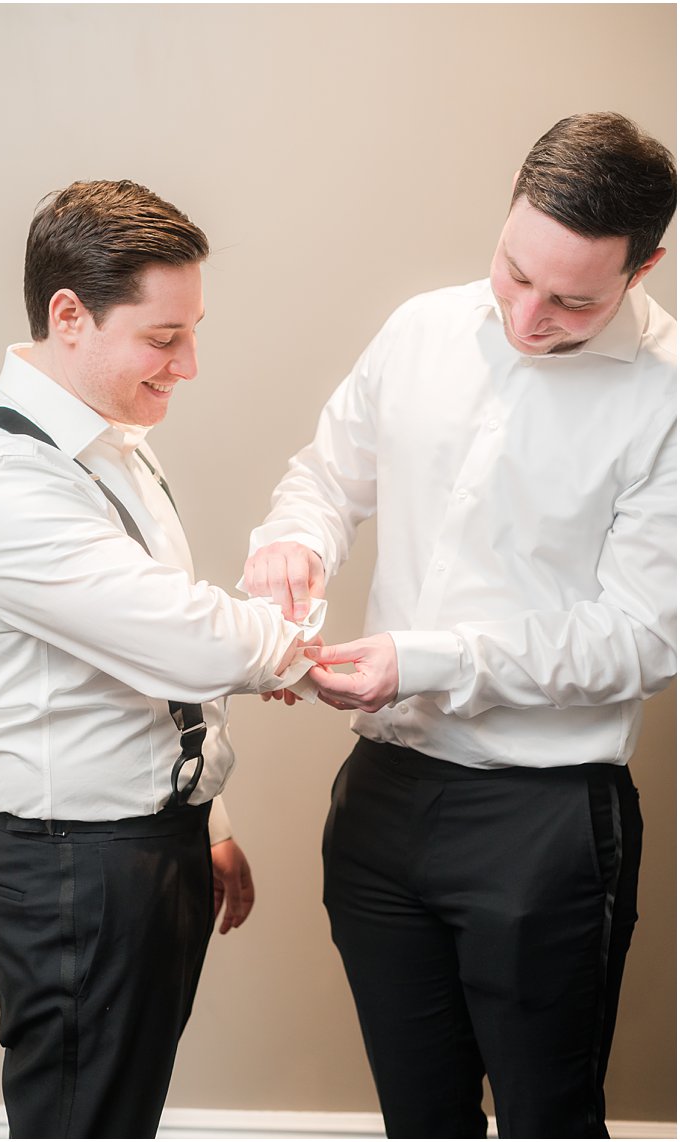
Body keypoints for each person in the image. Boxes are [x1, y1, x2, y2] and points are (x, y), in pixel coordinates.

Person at [243, 113, 676, 1138]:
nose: (527, 314)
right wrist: (288, 545)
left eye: (569, 298)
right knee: (419, 1120)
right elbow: (324, 475)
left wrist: (421, 660)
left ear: (644, 264)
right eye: (512, 270)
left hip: (544, 820)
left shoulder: (667, 398)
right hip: (381, 800)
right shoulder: (418, 329)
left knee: (546, 1119)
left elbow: (643, 635)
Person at [0, 180, 317, 1138]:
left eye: (191, 332)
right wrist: (299, 652)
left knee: (119, 1121)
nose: (187, 364)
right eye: (163, 336)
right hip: (76, 871)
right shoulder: (0, 480)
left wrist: (206, 815)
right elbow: (175, 632)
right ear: (70, 316)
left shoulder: (114, 448)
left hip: (145, 846)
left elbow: (141, 674)